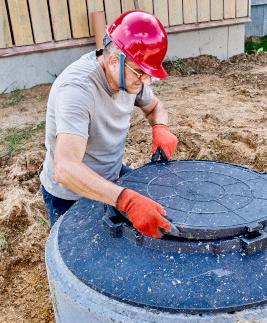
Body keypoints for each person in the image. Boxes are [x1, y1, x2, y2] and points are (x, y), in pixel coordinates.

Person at [39, 10, 177, 238]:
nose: (147, 81)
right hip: (70, 194)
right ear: (114, 61)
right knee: (84, 262)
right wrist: (127, 200)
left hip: (112, 175)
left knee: (159, 211)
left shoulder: (128, 75)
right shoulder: (77, 90)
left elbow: (155, 108)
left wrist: (160, 127)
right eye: (142, 73)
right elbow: (65, 168)